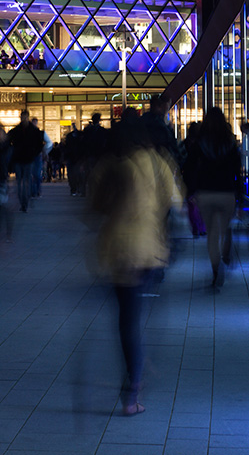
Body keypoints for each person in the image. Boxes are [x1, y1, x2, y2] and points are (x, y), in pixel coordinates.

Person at [87, 108, 180, 416]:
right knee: (140, 315)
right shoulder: (157, 161)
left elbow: (95, 207)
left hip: (118, 251)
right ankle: (137, 375)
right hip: (150, 249)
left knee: (127, 319)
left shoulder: (110, 165)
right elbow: (175, 201)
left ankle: (132, 385)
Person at [183, 107, 241, 288]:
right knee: (226, 226)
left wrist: (190, 190)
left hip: (205, 192)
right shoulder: (230, 142)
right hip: (227, 191)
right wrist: (238, 192)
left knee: (212, 234)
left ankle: (216, 269)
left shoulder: (199, 143)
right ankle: (227, 249)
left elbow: (189, 167)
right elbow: (237, 170)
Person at [10, 111, 44, 213]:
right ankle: (23, 202)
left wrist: (34, 153)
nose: (23, 119)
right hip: (21, 158)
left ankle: (24, 202)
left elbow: (39, 144)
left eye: (24, 117)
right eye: (22, 117)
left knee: (25, 182)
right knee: (21, 182)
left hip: (27, 158)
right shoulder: (18, 130)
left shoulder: (32, 130)